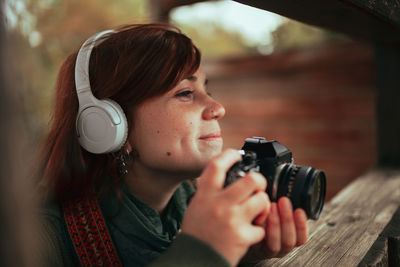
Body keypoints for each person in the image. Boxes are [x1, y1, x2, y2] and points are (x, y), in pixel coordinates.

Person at [37, 23, 308, 267]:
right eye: (186, 93)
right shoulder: (41, 242)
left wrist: (241, 255)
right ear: (111, 125)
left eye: (207, 91)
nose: (218, 108)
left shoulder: (199, 209)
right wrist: (201, 254)